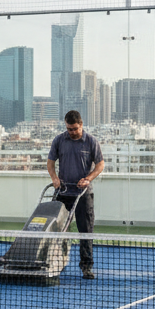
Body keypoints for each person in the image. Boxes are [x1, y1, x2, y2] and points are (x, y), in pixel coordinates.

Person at [46, 110, 104, 279]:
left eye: (75, 129)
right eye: (69, 129)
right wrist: (54, 178)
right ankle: (55, 261)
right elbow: (50, 163)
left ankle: (86, 267)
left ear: (81, 125)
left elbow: (100, 165)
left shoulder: (91, 142)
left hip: (83, 194)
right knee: (56, 229)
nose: (71, 132)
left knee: (85, 232)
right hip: (63, 192)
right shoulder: (59, 140)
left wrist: (88, 178)